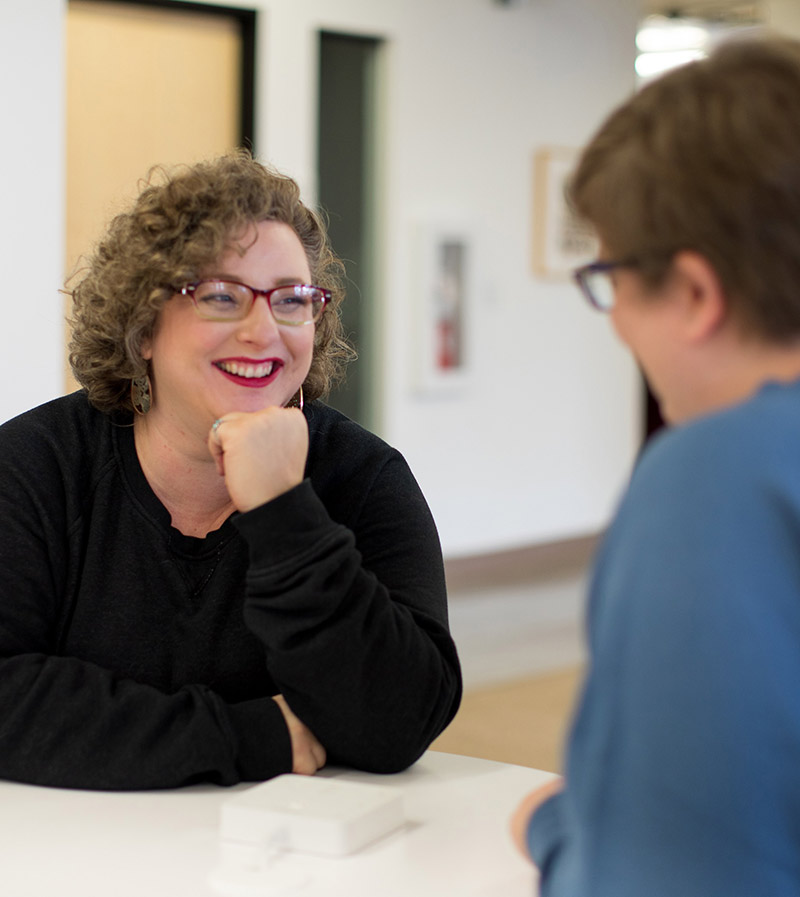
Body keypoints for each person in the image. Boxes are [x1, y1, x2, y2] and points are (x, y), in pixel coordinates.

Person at [0, 150, 461, 790]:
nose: (262, 329)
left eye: (291, 300)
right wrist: (247, 738)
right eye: (221, 296)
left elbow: (401, 721)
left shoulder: (364, 479)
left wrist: (284, 514)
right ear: (143, 329)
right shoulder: (33, 467)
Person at [512, 35, 800, 896]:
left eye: (611, 280)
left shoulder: (713, 481)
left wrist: (563, 830)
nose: (614, 324)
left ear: (695, 292)